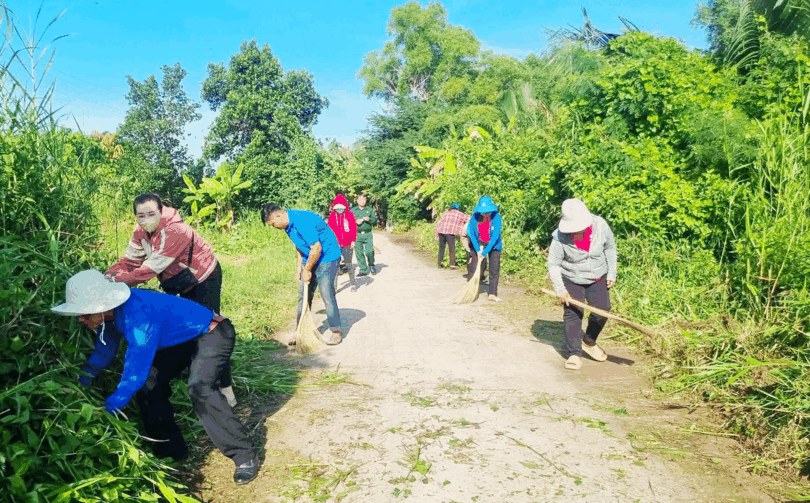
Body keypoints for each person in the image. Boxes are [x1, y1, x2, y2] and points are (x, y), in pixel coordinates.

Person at [51, 270, 259, 484]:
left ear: (102, 306)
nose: (80, 319)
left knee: (200, 388)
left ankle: (244, 454)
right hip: (180, 340)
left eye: (84, 314)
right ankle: (171, 453)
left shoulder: (139, 316)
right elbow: (104, 352)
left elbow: (135, 373)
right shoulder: (110, 317)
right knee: (149, 386)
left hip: (212, 333)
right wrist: (80, 382)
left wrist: (109, 408)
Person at [105, 193, 236, 407]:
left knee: (208, 328)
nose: (146, 219)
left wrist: (116, 281)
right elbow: (130, 261)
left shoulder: (176, 230)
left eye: (151, 214)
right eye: (140, 215)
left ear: (161, 210)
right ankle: (187, 369)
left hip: (203, 277)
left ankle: (225, 388)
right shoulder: (140, 232)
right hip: (178, 281)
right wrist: (108, 275)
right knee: (183, 325)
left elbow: (148, 270)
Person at [547, 198, 617, 371]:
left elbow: (610, 248)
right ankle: (574, 353)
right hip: (571, 277)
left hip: (597, 276)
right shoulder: (560, 237)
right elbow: (553, 264)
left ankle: (589, 341)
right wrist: (560, 289)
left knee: (602, 310)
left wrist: (612, 272)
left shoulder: (600, 226)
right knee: (573, 313)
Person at [261, 203, 343, 345]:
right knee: (303, 296)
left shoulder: (301, 221)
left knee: (326, 293)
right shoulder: (287, 225)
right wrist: (299, 267)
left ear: (278, 215)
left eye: (273, 224)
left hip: (327, 257)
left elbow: (316, 248)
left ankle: (336, 331)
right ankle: (300, 330)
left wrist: (307, 270)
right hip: (311, 256)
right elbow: (299, 245)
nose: (274, 227)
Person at [466, 196, 503, 302]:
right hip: (478, 242)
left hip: (494, 244)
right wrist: (478, 250)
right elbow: (472, 234)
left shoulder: (496, 217)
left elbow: (495, 236)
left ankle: (492, 293)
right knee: (474, 267)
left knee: (494, 268)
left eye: (487, 212)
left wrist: (485, 252)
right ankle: (473, 289)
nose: (485, 214)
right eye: (483, 212)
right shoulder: (474, 217)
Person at [327, 194, 358, 292]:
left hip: (348, 244)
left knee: (349, 265)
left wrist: (353, 240)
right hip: (336, 245)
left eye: (341, 208)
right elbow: (330, 230)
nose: (340, 210)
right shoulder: (332, 216)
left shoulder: (349, 215)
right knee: (335, 266)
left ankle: (353, 284)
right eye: (338, 208)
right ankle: (334, 287)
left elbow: (353, 228)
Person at [434, 203, 470, 269]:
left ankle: (439, 263)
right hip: (450, 232)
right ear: (458, 208)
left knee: (441, 248)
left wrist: (437, 234)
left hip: (441, 231)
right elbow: (469, 219)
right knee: (451, 248)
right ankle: (452, 264)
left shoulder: (446, 213)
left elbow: (439, 223)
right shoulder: (459, 214)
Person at [353, 194, 377, 276]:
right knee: (359, 252)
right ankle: (363, 269)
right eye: (360, 199)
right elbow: (348, 222)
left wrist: (369, 219)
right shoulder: (353, 210)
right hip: (357, 234)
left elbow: (374, 221)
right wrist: (355, 221)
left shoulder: (369, 210)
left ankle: (371, 265)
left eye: (364, 199)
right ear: (357, 201)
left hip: (367, 234)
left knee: (369, 251)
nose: (362, 201)